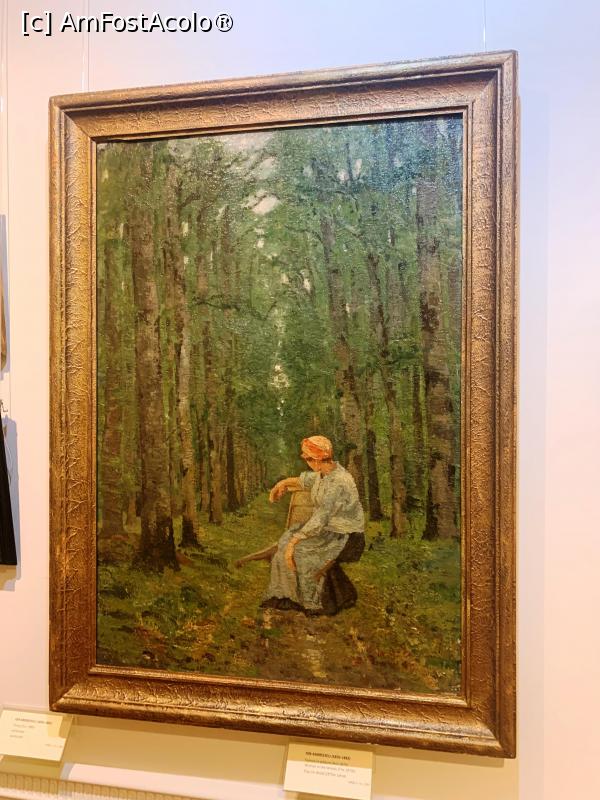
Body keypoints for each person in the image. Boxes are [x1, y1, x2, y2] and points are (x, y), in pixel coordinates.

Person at [236, 435, 365, 615]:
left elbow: (321, 518)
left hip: (345, 535)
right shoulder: (323, 474)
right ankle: (284, 595)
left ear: (317, 459)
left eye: (308, 458)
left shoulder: (339, 481)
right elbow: (302, 481)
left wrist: (294, 543)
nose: (306, 462)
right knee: (285, 541)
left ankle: (313, 603)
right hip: (327, 530)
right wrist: (281, 484)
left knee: (300, 552)